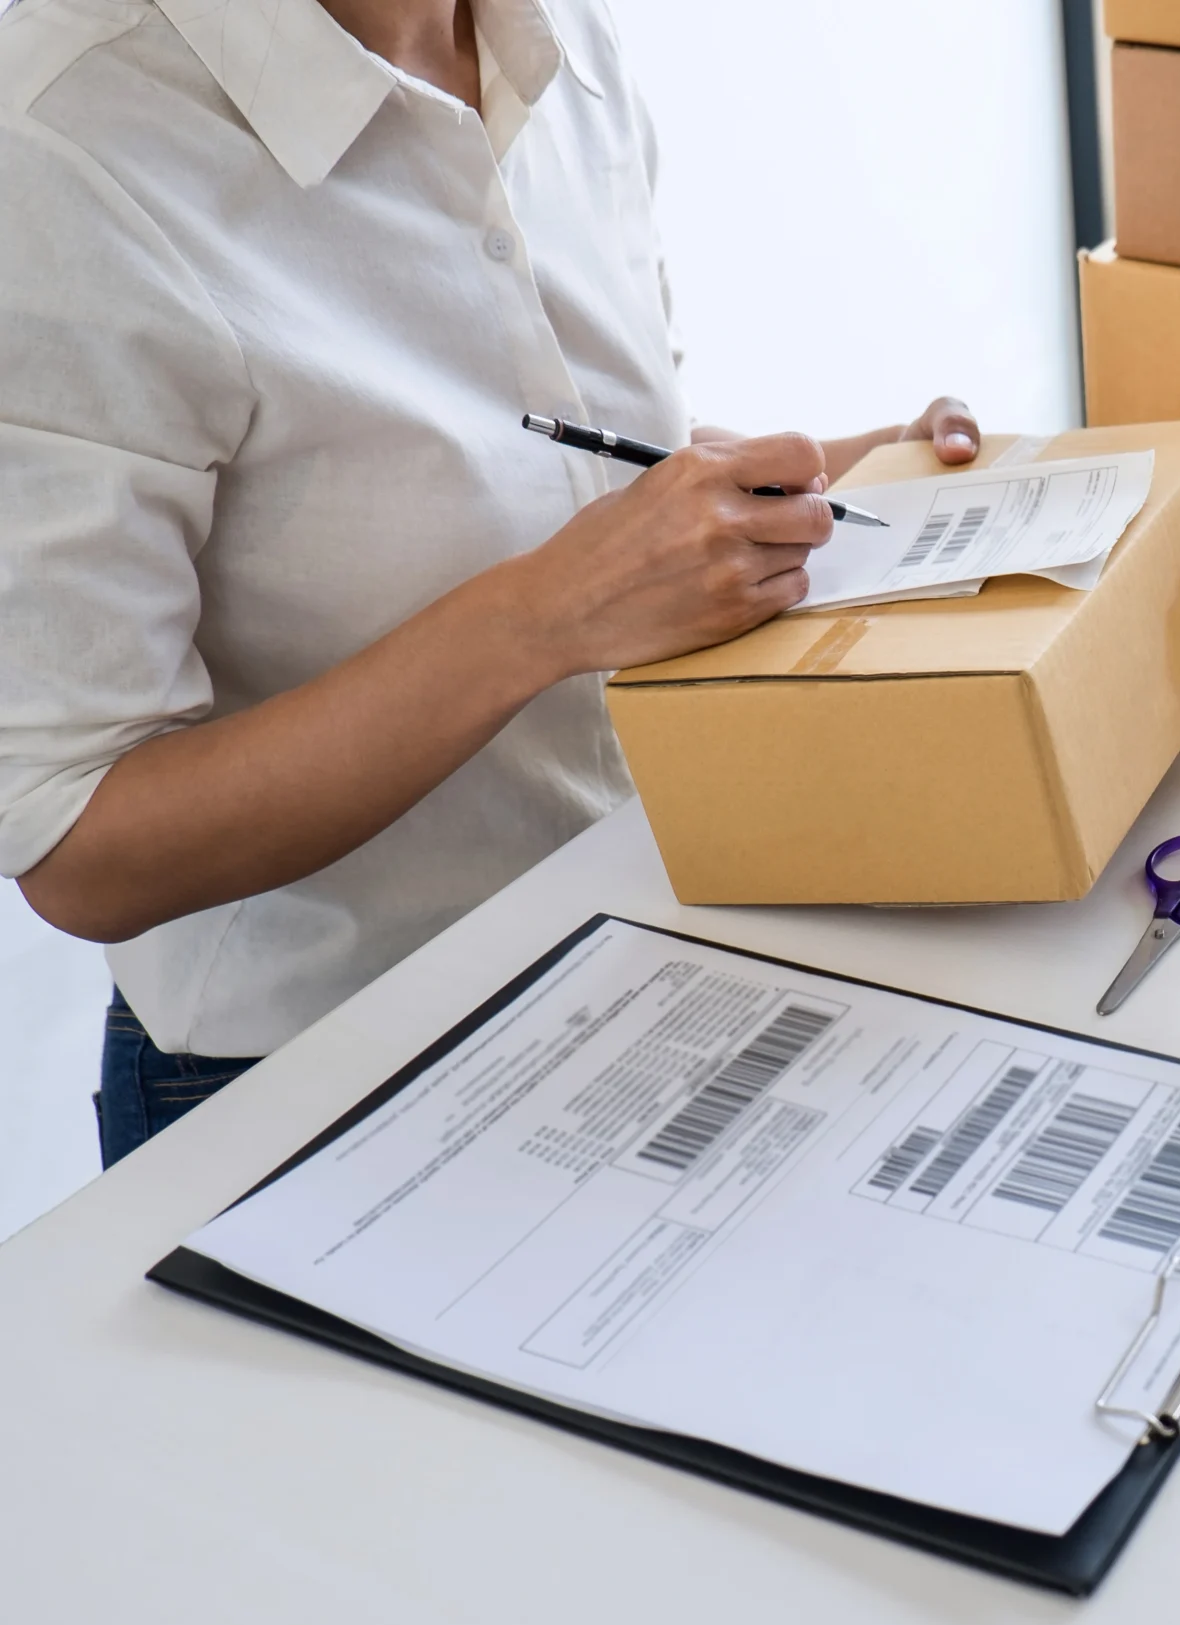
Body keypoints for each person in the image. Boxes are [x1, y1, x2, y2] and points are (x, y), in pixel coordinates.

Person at [0, 0, 980, 1166]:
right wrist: (544, 617)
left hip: (638, 946)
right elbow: (85, 851)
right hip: (315, 1073)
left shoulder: (562, 42)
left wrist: (814, 483)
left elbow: (562, 460)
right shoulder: (59, 145)